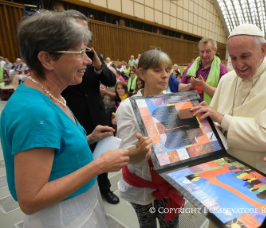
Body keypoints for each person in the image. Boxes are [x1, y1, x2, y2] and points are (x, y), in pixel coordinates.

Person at [0, 11, 135, 227]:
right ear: (47, 59)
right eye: (79, 52)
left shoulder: (52, 94)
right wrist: (98, 165)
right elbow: (31, 199)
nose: (87, 60)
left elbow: (55, 151)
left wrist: (89, 138)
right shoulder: (35, 113)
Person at [191, 24, 266, 184]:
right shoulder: (227, 79)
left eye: (245, 56)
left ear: (263, 50)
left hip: (262, 178)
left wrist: (222, 119)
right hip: (220, 171)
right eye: (233, 58)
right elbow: (212, 121)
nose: (239, 65)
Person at [116, 50, 184, 228]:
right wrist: (140, 150)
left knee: (170, 225)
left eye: (167, 70)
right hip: (141, 183)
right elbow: (126, 153)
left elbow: (182, 144)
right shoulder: (127, 107)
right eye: (157, 70)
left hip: (169, 181)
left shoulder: (174, 102)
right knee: (146, 225)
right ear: (141, 74)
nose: (164, 75)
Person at [60, 9, 119, 204]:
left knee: (101, 155)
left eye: (86, 32)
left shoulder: (93, 54)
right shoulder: (60, 57)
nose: (83, 37)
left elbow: (110, 79)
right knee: (79, 157)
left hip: (98, 115)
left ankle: (105, 189)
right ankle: (81, 192)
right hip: (74, 118)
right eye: (78, 30)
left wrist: (98, 66)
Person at [180, 37, 227, 104]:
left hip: (210, 111)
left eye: (208, 51)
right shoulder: (191, 66)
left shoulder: (221, 69)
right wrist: (191, 85)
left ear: (215, 51)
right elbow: (180, 88)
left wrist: (202, 84)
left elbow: (223, 94)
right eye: (202, 51)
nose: (204, 55)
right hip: (189, 108)